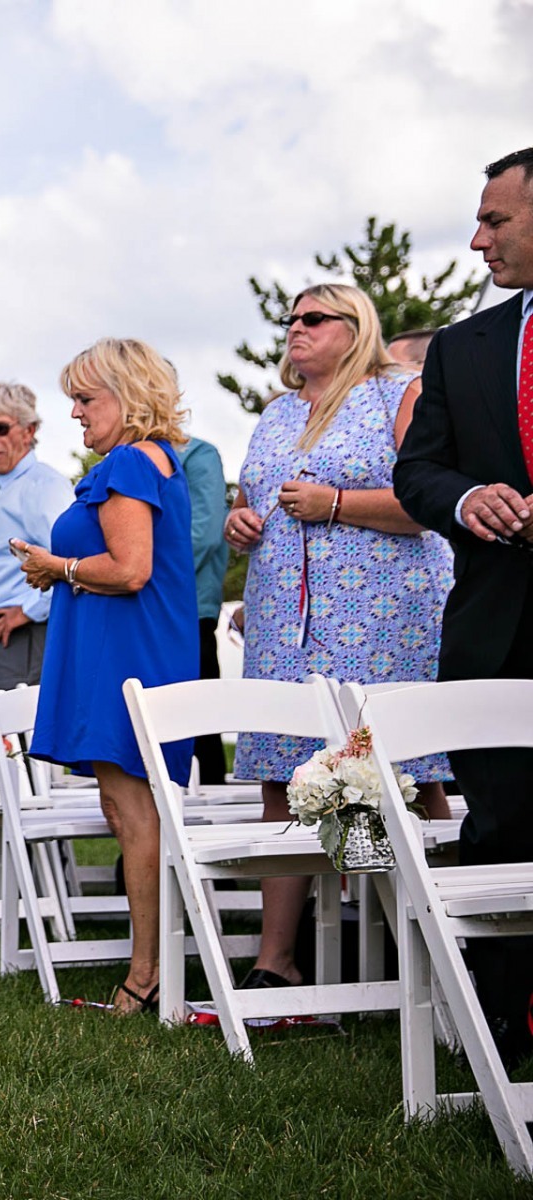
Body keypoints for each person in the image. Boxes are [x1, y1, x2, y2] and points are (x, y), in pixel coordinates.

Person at [225, 282, 452, 990]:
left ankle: (452, 945)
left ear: (355, 328)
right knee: (282, 774)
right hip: (281, 627)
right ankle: (277, 960)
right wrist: (241, 521)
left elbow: (427, 501)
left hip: (383, 618)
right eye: (290, 318)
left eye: (313, 318)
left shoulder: (399, 394)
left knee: (408, 776)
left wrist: (336, 505)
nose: (295, 328)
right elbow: (250, 495)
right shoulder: (276, 412)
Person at [395, 145, 533, 1066]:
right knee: (502, 824)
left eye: (496, 220)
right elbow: (418, 468)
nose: (476, 239)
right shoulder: (464, 344)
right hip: (496, 621)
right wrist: (462, 499)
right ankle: (504, 1036)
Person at [14, 338, 197, 1015]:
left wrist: (52, 566)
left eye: (86, 400)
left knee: (134, 812)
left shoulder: (129, 462)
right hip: (117, 653)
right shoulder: (144, 460)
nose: (75, 414)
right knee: (126, 809)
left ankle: (145, 976)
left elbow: (130, 569)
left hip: (129, 658)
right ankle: (146, 967)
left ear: (129, 395)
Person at [0, 382, 73, 693]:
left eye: (1, 428)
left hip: (17, 636)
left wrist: (28, 611)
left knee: (10, 738)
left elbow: (70, 560)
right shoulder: (2, 485)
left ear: (28, 430)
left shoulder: (43, 485)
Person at [176, 434, 230, 785]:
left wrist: (142, 578)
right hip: (147, 615)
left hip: (189, 612)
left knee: (199, 728)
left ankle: (206, 831)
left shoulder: (198, 454)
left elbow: (204, 534)